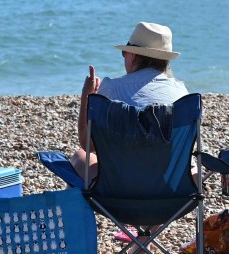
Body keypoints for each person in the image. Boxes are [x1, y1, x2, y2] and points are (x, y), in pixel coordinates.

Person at [72, 22, 188, 185]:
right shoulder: (182, 94)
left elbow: (87, 144)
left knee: (80, 156)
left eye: (124, 53)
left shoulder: (111, 89)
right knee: (192, 167)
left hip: (118, 189)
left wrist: (87, 96)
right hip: (170, 191)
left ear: (133, 56)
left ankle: (78, 211)